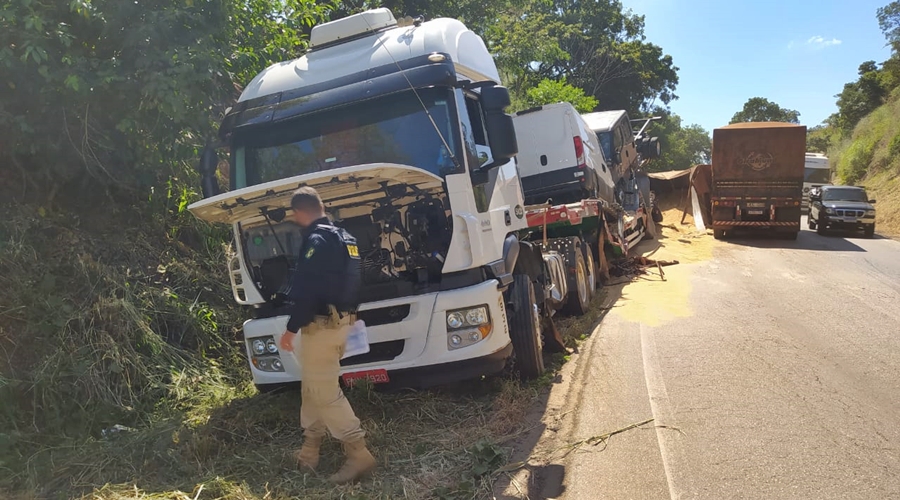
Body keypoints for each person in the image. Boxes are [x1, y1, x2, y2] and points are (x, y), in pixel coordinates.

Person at [278, 186, 375, 483]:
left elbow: (309, 289)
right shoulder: (345, 238)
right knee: (312, 386)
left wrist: (291, 328)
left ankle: (359, 454)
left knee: (324, 392)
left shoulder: (317, 240)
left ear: (299, 212)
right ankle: (310, 451)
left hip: (322, 326)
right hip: (341, 322)